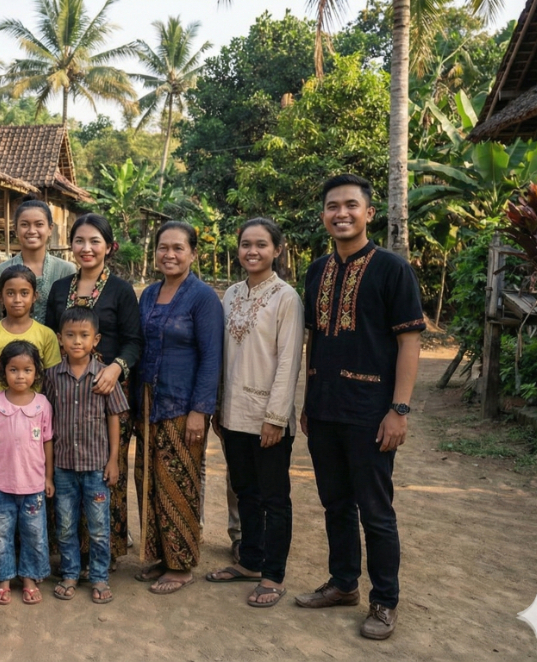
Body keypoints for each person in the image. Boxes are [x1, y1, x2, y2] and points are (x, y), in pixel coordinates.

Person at [295, 175, 424, 640]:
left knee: (376, 510)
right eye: (332, 206)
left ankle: (384, 601)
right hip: (325, 409)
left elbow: (408, 342)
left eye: (351, 205)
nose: (341, 213)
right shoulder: (315, 272)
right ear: (324, 215)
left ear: (370, 213)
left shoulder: (393, 269)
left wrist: (400, 409)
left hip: (372, 412)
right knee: (334, 504)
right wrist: (309, 401)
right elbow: (315, 340)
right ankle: (344, 583)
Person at [205, 218, 304, 609]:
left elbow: (289, 362)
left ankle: (273, 574)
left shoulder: (286, 298)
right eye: (246, 244)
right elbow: (222, 355)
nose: (252, 251)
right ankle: (249, 561)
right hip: (233, 415)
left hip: (268, 418)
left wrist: (276, 417)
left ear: (277, 250)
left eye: (261, 245)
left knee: (274, 498)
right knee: (244, 490)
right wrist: (216, 407)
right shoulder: (230, 294)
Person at [133, 221, 224, 595]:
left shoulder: (202, 298)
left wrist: (201, 410)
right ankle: (159, 555)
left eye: (178, 248)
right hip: (148, 403)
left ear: (193, 254)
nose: (169, 254)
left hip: (182, 405)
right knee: (149, 481)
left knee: (179, 484)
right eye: (163, 248)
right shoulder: (148, 294)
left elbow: (212, 357)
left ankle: (181, 564)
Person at [46, 214, 142, 565]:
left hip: (106, 395)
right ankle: (71, 556)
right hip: (67, 397)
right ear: (71, 245)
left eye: (95, 241)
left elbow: (134, 341)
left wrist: (116, 369)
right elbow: (48, 339)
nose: (87, 248)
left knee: (105, 471)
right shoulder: (60, 289)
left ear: (108, 246)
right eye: (80, 241)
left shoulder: (120, 289)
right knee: (67, 471)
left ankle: (105, 554)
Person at [45, 306, 129, 605]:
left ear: (96, 340)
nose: (77, 341)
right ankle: (69, 573)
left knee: (98, 527)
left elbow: (114, 418)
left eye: (84, 336)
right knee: (65, 525)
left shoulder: (105, 377)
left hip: (96, 467)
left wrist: (113, 459)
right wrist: (49, 470)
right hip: (64, 468)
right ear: (60, 339)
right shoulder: (52, 377)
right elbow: (47, 424)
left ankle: (99, 577)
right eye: (70, 335)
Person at [0, 341, 54, 606]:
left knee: (34, 533)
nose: (20, 376)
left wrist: (48, 477)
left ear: (36, 372)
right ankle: (4, 579)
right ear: (3, 373)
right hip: (1, 486)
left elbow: (47, 442)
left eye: (27, 370)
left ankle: (30, 578)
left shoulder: (42, 405)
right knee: (0, 534)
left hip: (33, 487)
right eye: (13, 370)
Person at [0, 196, 77, 327]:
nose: (32, 231)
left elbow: (74, 320)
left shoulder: (66, 271)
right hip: (10, 346)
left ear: (50, 228)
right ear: (15, 229)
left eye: (39, 224)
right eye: (24, 225)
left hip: (55, 346)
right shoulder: (0, 272)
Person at [0, 264, 62, 397]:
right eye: (10, 293)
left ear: (34, 296)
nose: (17, 300)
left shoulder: (46, 335)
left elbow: (52, 380)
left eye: (24, 293)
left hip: (35, 413)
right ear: (1, 297)